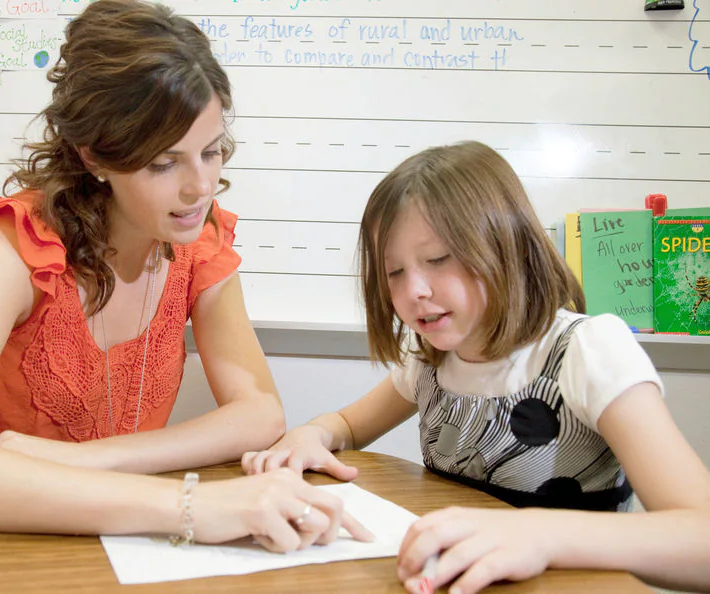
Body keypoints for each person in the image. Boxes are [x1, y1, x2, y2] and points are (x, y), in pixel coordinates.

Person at [0, 0, 373, 550]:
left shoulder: (197, 238)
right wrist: (187, 507)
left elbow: (258, 412)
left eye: (211, 152)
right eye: (163, 163)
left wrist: (89, 459)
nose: (199, 186)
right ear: (94, 156)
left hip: (100, 539)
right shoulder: (12, 250)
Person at [243, 141, 710, 587]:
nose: (414, 291)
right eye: (394, 271)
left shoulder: (587, 350)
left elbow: (700, 540)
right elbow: (347, 424)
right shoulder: (430, 359)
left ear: (506, 245)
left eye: (438, 259)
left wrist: (540, 535)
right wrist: (314, 434)